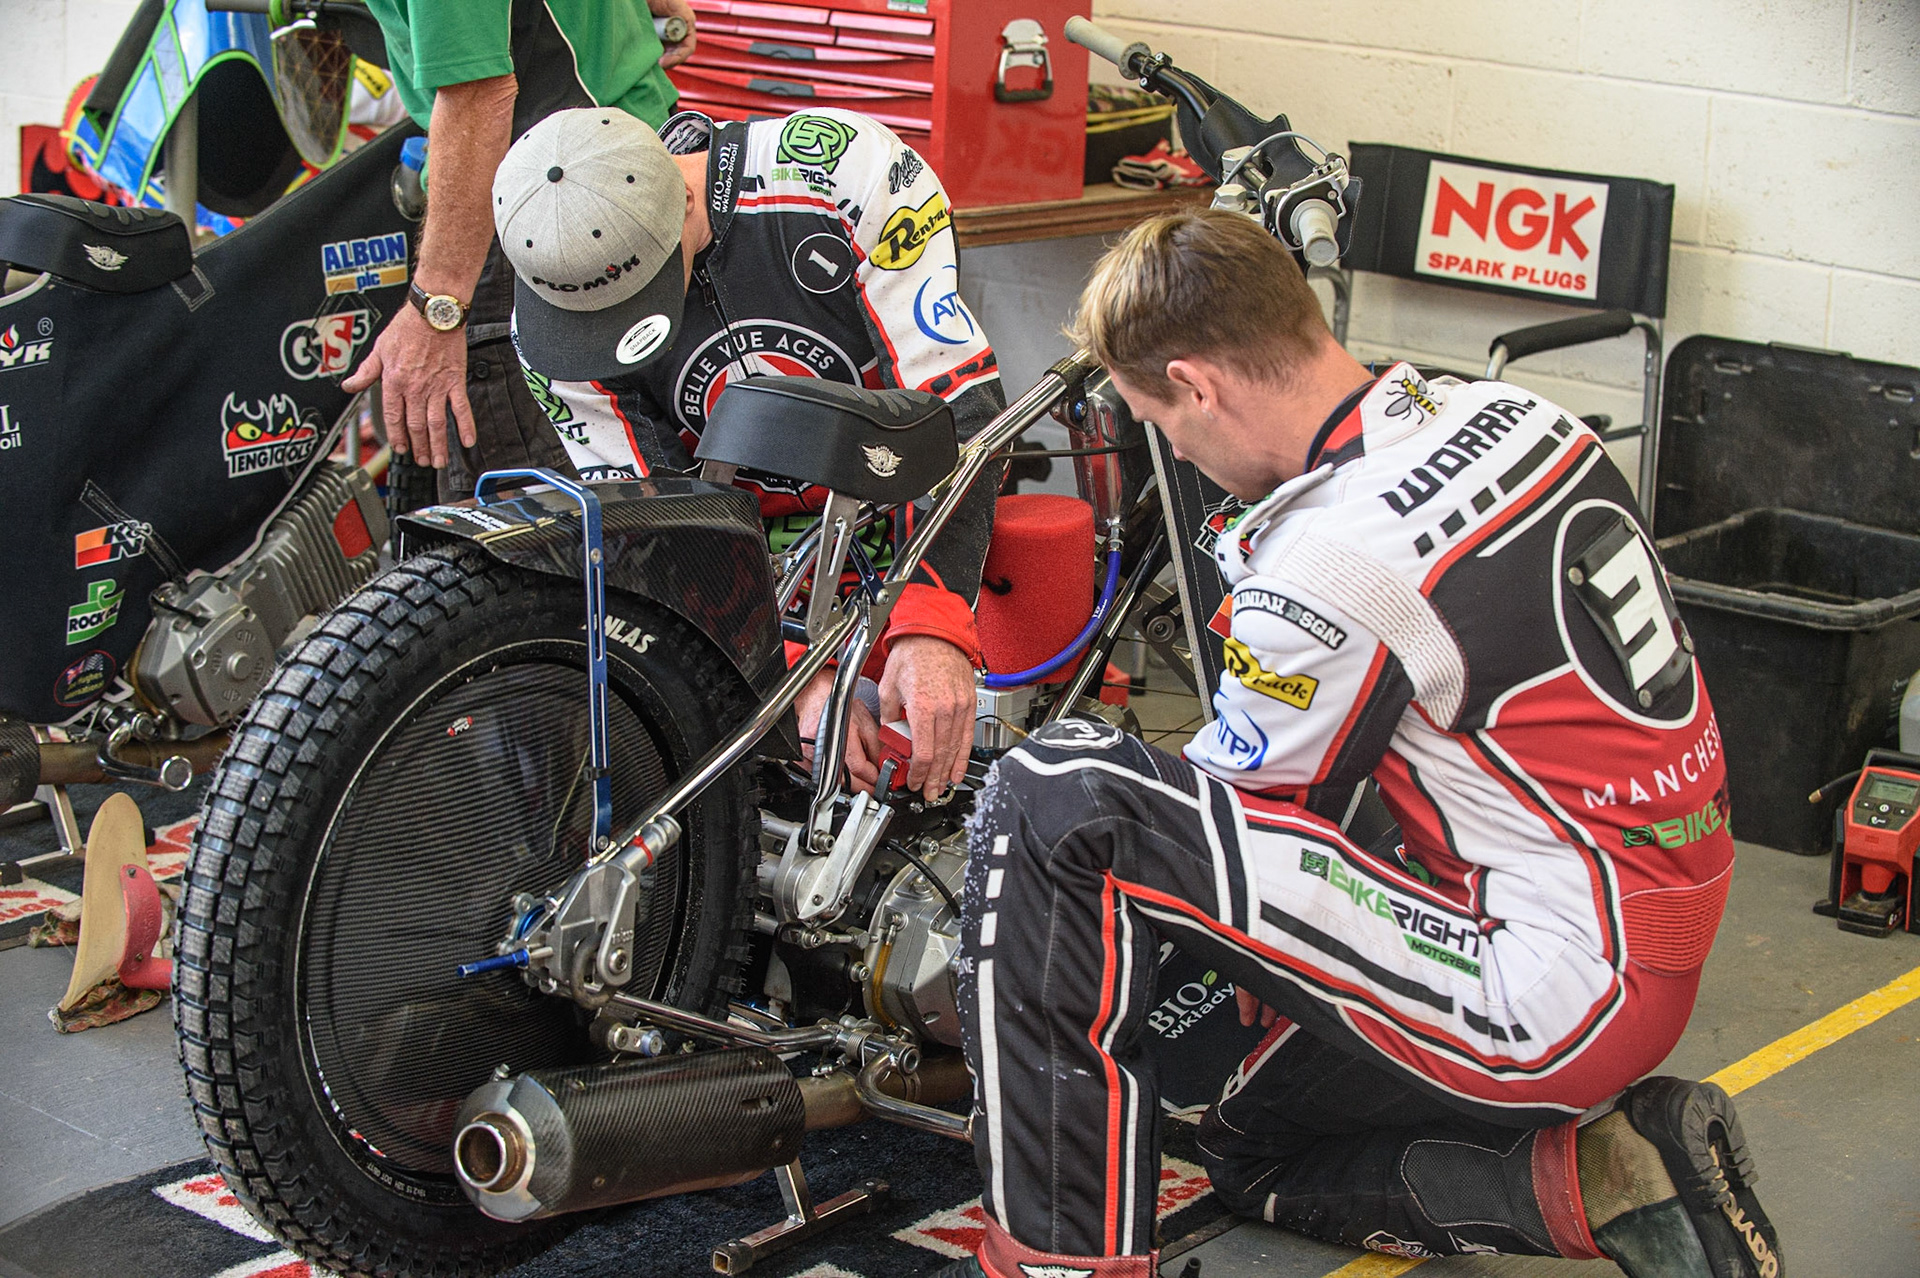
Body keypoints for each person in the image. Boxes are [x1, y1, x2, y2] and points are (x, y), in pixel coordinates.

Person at [938, 210, 1780, 1278]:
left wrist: (1003, 961)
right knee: (1255, 1153)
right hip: (1656, 913)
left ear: (1196, 386)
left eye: (1160, 419)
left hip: (1553, 992)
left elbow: (1190, 835)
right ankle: (1614, 1179)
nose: (1178, 447)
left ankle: (1058, 1266)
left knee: (1060, 797)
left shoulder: (1329, 561)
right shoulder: (1516, 412)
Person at [492, 106, 1007, 800]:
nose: (608, 341)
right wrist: (787, 668)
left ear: (678, 207)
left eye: (632, 310)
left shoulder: (840, 172)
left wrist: (933, 617)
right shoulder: (553, 318)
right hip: (742, 565)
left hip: (908, 506)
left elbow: (958, 403)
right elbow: (659, 523)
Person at [344, 0, 696, 500]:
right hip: (627, 158)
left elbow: (479, 95)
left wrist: (436, 308)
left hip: (545, 201)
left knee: (543, 544)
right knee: (656, 498)